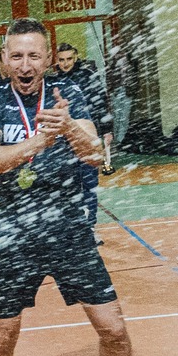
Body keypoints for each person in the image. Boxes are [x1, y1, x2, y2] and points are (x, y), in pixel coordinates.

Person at [0, 19, 148, 356]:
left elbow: (96, 156)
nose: (25, 64)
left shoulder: (68, 94)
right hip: (15, 232)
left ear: (48, 58)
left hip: (68, 228)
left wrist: (68, 126)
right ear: (3, 59)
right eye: (17, 55)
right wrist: (37, 141)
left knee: (113, 327)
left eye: (34, 55)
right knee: (1, 336)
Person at [51, 42, 113, 227]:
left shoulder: (88, 77)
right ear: (56, 61)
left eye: (69, 59)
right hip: (64, 141)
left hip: (88, 138)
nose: (65, 63)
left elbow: (101, 103)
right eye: (61, 60)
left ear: (76, 57)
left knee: (89, 183)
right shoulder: (53, 83)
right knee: (68, 186)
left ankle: (90, 227)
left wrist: (107, 130)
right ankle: (73, 229)